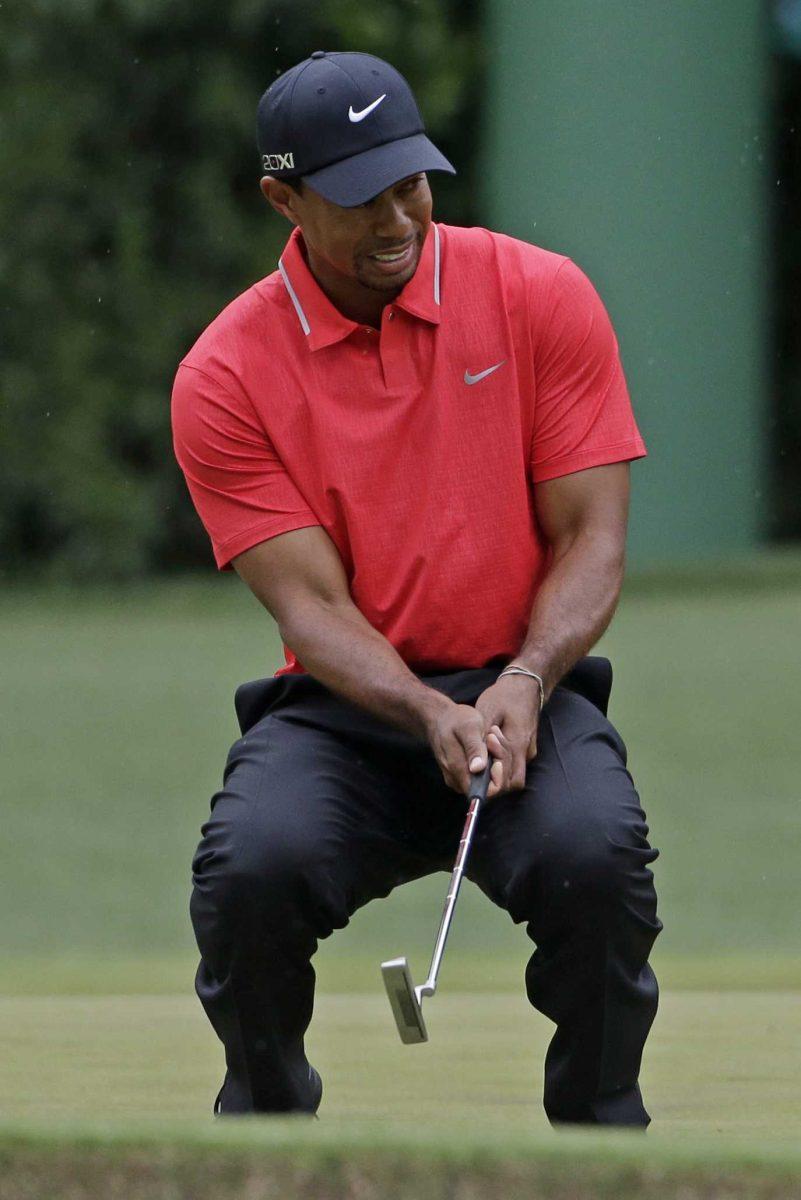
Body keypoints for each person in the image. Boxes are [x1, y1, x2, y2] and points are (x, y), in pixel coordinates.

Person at [171, 49, 663, 1126]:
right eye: (360, 197)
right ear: (283, 199)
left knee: (598, 862)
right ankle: (264, 1135)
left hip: (522, 686)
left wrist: (528, 677)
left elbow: (591, 539)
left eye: (412, 182)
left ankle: (601, 1146)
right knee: (252, 873)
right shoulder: (226, 374)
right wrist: (425, 709)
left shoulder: (540, 295)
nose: (399, 217)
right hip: (347, 713)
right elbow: (311, 610)